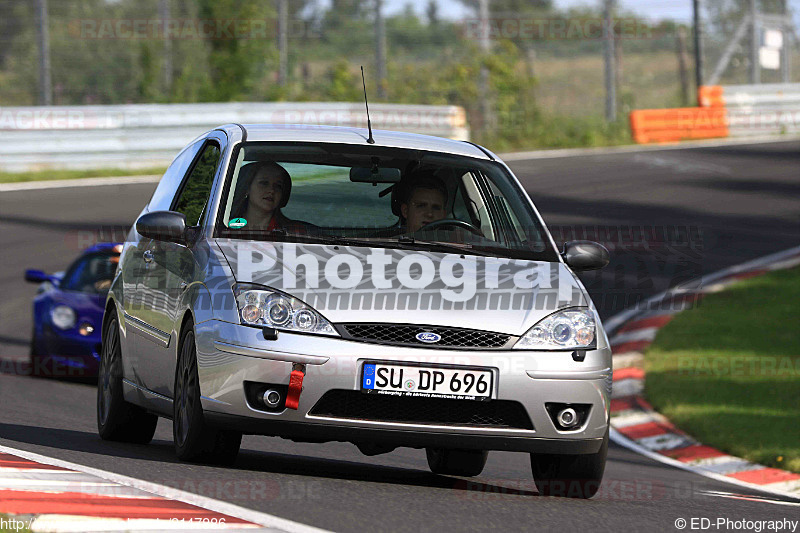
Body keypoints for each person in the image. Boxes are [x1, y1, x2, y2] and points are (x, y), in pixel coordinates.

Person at [229, 161, 307, 232]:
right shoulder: (224, 227)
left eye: (278, 186)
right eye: (264, 183)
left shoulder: (294, 231)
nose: (271, 190)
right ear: (247, 188)